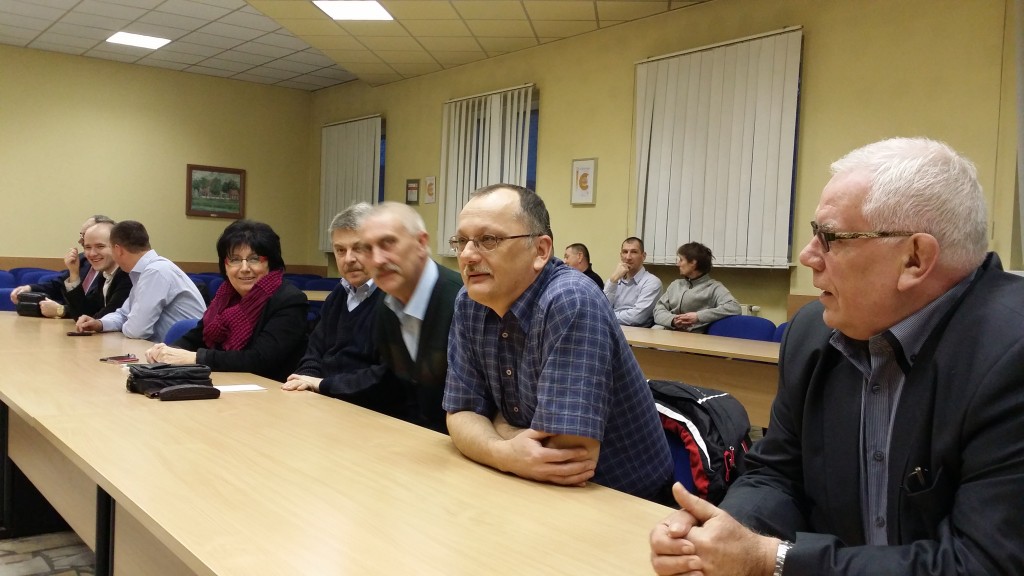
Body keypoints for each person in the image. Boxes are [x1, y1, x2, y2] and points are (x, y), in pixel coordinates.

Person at [650, 138, 1024, 576]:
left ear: (915, 258)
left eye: (830, 237)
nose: (808, 255)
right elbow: (777, 475)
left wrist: (771, 560)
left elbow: (984, 562)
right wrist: (724, 533)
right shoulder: (814, 334)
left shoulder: (1010, 354)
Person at [444, 184, 673, 502]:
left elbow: (564, 457)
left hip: (621, 499)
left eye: (488, 240)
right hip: (525, 484)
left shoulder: (571, 300)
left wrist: (490, 424)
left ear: (541, 250)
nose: (468, 255)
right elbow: (461, 413)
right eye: (461, 241)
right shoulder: (469, 301)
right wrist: (503, 452)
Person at [144, 220, 308, 382]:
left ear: (270, 263)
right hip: (227, 383)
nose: (244, 268)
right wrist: (168, 351)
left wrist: (195, 358)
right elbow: (196, 338)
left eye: (254, 259)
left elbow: (260, 360)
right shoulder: (225, 297)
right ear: (225, 265)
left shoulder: (289, 300)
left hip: (271, 390)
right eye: (235, 259)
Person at [352, 202, 462, 433]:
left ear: (421, 243)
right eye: (367, 249)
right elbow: (396, 388)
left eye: (388, 243)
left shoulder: (463, 302)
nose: (378, 259)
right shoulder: (386, 305)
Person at [282, 203, 390, 398]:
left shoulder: (395, 299)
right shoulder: (338, 294)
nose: (348, 259)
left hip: (368, 408)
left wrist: (322, 385)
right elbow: (313, 352)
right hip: (325, 399)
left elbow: (384, 379)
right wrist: (305, 381)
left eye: (358, 248)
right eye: (340, 250)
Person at [75, 220, 206, 342]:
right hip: (163, 350)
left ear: (118, 250)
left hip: (183, 352)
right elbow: (124, 314)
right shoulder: (144, 271)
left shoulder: (156, 271)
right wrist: (99, 324)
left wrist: (123, 325)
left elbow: (137, 330)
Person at [10, 215, 112, 315]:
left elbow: (97, 310)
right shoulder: (82, 259)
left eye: (100, 246)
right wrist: (30, 288)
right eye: (82, 235)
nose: (80, 240)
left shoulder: (113, 272)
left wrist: (62, 310)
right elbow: (58, 284)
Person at [653, 242, 740, 333]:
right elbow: (658, 309)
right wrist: (673, 320)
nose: (678, 264)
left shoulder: (713, 287)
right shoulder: (675, 285)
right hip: (666, 331)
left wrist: (698, 316)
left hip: (693, 336)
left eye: (681, 260)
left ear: (693, 263)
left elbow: (734, 307)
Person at [58, 220, 131, 320]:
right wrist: (74, 273)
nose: (92, 253)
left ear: (118, 248)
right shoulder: (104, 275)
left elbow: (106, 317)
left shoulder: (127, 276)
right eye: (87, 247)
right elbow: (84, 314)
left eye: (100, 246)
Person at [604, 237, 662, 327]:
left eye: (634, 252)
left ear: (643, 256)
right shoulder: (615, 279)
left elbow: (636, 318)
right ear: (621, 255)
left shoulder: (652, 282)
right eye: (625, 252)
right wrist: (613, 280)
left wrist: (606, 316)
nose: (628, 257)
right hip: (610, 328)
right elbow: (602, 307)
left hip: (636, 331)